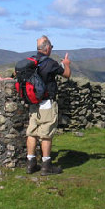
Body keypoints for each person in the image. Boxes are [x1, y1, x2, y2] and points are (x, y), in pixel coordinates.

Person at [26, 35, 71, 175]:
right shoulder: (50, 63)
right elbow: (66, 74)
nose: (51, 49)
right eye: (51, 47)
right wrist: (67, 63)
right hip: (46, 102)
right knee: (46, 134)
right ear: (47, 48)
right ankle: (46, 166)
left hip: (33, 102)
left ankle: (31, 164)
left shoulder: (31, 61)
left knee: (32, 132)